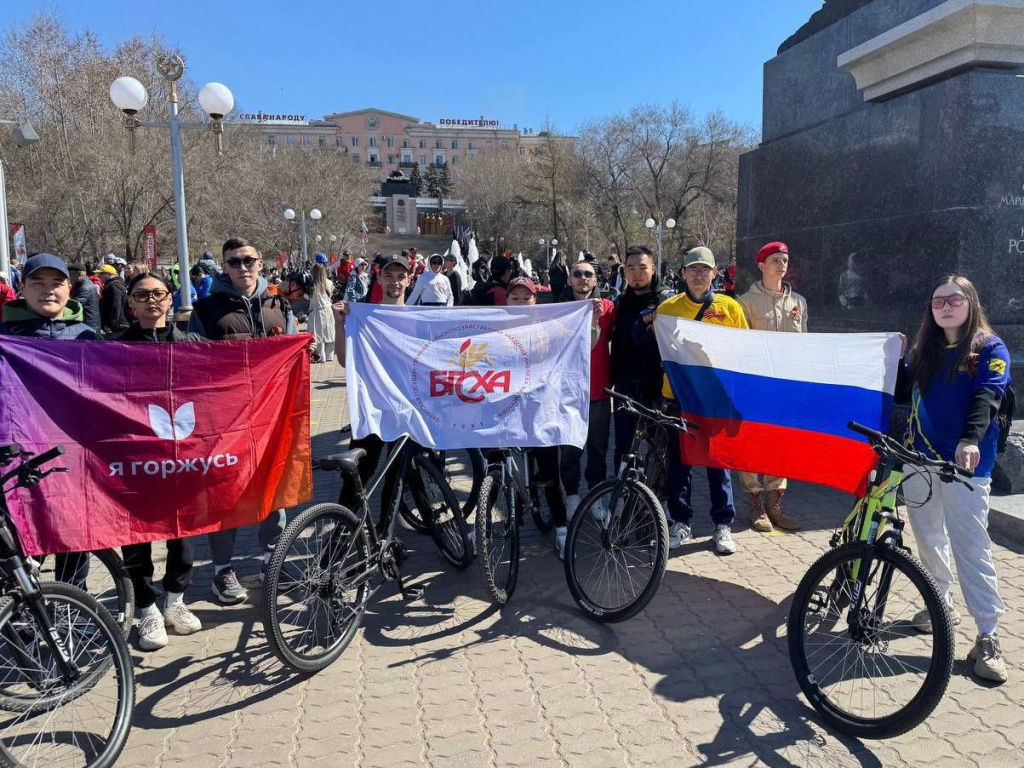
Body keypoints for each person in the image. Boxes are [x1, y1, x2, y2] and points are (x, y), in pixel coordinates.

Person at [899, 275, 1010, 683]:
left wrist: (970, 440)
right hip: (919, 457)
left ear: (970, 302)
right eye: (938, 300)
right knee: (927, 538)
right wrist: (894, 359)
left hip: (966, 465)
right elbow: (899, 393)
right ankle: (939, 604)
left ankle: (987, 634)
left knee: (971, 547)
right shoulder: (923, 350)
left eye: (954, 299)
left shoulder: (989, 349)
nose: (945, 306)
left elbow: (988, 395)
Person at [188, 237, 297, 604]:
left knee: (273, 492)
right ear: (224, 266)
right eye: (234, 262)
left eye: (248, 260)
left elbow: (294, 351)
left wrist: (305, 350)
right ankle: (222, 571)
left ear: (261, 262)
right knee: (226, 495)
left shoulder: (278, 304)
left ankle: (272, 561)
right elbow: (193, 365)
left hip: (271, 417)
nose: (243, 268)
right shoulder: (206, 309)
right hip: (226, 421)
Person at [0, 253, 99, 587]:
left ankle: (76, 611)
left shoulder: (87, 336)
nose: (48, 291)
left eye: (56, 283)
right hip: (21, 459)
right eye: (37, 283)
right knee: (25, 546)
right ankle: (28, 625)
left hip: (72, 455)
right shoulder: (5, 337)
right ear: (22, 289)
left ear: (68, 289)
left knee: (74, 542)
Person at [116, 273, 203, 649]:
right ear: (131, 304)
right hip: (135, 461)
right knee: (136, 537)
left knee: (182, 535)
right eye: (142, 295)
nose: (151, 300)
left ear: (170, 300)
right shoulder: (113, 349)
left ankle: (175, 601)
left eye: (159, 294)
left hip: (182, 459)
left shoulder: (194, 345)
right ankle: (146, 609)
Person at [657, 246, 749, 554]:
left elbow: (743, 352)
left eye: (704, 270)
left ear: (714, 274)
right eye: (692, 269)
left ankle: (723, 524)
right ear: (683, 274)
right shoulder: (667, 309)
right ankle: (680, 521)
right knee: (679, 463)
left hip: (715, 401)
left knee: (717, 463)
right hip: (679, 399)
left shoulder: (729, 308)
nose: (698, 275)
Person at [332, 257, 414, 510]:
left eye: (401, 276)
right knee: (357, 477)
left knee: (400, 475)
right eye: (389, 276)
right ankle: (340, 537)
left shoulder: (420, 318)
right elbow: (346, 361)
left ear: (409, 281)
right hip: (372, 407)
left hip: (408, 408)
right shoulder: (364, 316)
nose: (395, 282)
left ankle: (386, 535)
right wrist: (338, 323)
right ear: (378, 279)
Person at [736, 242, 806, 533]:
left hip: (786, 385)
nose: (781, 265)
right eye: (775, 260)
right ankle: (755, 503)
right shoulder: (745, 302)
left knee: (781, 443)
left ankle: (775, 503)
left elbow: (804, 342)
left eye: (785, 260)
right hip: (756, 385)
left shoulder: (798, 302)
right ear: (762, 266)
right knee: (752, 442)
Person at [503, 277, 571, 557]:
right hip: (506, 405)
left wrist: (591, 319)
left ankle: (562, 530)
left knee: (550, 473)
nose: (520, 303)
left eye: (526, 298)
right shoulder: (494, 329)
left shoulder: (549, 328)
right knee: (496, 463)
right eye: (515, 298)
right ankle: (501, 515)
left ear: (535, 301)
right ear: (506, 301)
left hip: (540, 406)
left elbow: (579, 342)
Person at [609, 246, 675, 467]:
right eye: (630, 268)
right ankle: (624, 495)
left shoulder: (667, 301)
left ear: (653, 269)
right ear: (624, 272)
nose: (636, 273)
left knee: (659, 448)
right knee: (624, 446)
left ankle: (657, 498)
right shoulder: (619, 303)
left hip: (657, 387)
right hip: (625, 386)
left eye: (642, 267)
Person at [560, 260, 615, 524]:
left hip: (599, 392)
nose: (583, 278)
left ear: (595, 281)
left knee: (597, 449)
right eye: (577, 274)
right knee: (570, 449)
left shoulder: (607, 308)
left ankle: (596, 495)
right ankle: (571, 496)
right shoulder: (558, 311)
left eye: (588, 275)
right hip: (567, 394)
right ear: (569, 280)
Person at [308, 260, 336, 364]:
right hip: (327, 310)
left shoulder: (311, 285)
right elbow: (331, 293)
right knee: (328, 333)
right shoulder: (329, 283)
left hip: (316, 311)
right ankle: (329, 355)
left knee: (318, 335)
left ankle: (321, 355)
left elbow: (307, 297)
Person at [67, 262, 102, 332]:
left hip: (88, 328)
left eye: (70, 275)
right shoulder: (83, 285)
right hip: (87, 326)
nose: (68, 278)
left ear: (79, 274)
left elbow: (73, 307)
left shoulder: (85, 288)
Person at [98, 263, 130, 333]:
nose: (99, 276)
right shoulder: (113, 284)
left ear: (108, 274)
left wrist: (110, 326)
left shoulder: (114, 286)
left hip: (117, 326)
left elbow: (116, 306)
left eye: (101, 274)